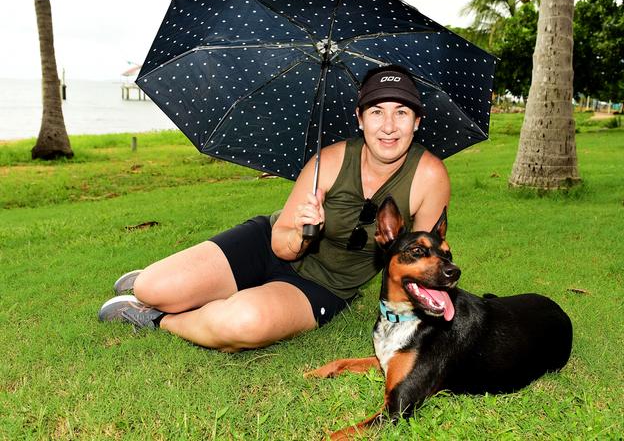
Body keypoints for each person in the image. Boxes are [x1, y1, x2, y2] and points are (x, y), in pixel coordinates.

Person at [98, 64, 450, 352]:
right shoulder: (327, 160)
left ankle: (159, 319)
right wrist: (300, 230)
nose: (388, 126)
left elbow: (426, 264)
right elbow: (281, 244)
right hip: (269, 243)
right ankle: (163, 287)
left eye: (401, 113)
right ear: (359, 118)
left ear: (417, 121)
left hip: (323, 287)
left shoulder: (429, 176)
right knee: (153, 288)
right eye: (377, 112)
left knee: (242, 322)